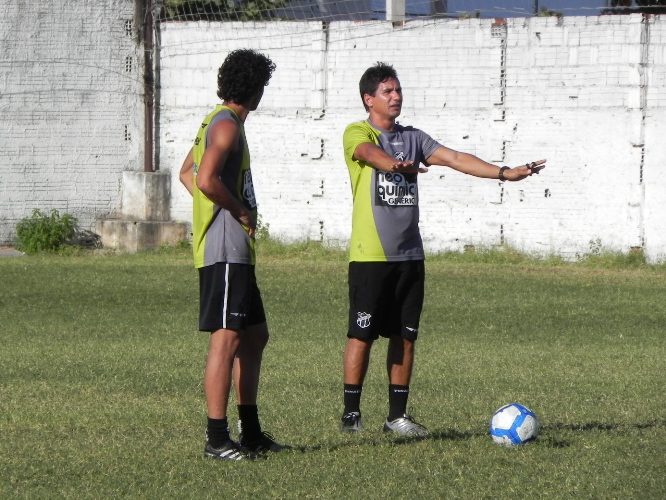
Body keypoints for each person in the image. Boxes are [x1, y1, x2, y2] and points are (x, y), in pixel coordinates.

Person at [340, 62, 545, 437]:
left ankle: (397, 417)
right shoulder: (358, 131)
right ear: (369, 99)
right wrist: (394, 165)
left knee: (405, 335)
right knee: (361, 333)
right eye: (388, 92)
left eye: (398, 90)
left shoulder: (414, 137)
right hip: (370, 256)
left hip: (409, 256)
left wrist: (504, 173)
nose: (396, 96)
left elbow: (453, 158)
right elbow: (366, 153)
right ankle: (351, 414)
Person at [179, 49, 285, 460]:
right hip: (225, 250)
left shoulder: (216, 120)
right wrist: (236, 210)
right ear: (255, 88)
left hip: (236, 251)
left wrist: (215, 207)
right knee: (226, 340)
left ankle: (253, 433)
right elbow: (204, 178)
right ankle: (217, 439)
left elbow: (186, 172)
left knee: (255, 336)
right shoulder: (227, 127)